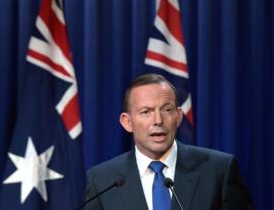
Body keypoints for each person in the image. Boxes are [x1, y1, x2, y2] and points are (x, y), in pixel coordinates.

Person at [83, 73, 253, 210]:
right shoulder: (102, 180)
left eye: (166, 109)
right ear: (127, 122)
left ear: (178, 117)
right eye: (146, 112)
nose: (158, 120)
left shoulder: (219, 170)